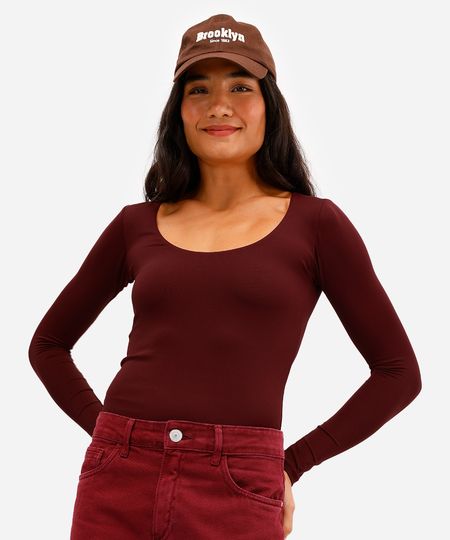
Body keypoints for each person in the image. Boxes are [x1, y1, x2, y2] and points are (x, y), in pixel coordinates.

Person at [28, 13, 422, 540]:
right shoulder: (135, 224)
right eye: (199, 89)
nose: (219, 105)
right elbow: (48, 345)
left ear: (269, 107)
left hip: (240, 485)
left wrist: (291, 464)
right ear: (179, 112)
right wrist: (109, 436)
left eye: (240, 86)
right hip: (117, 481)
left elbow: (398, 373)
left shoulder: (316, 224)